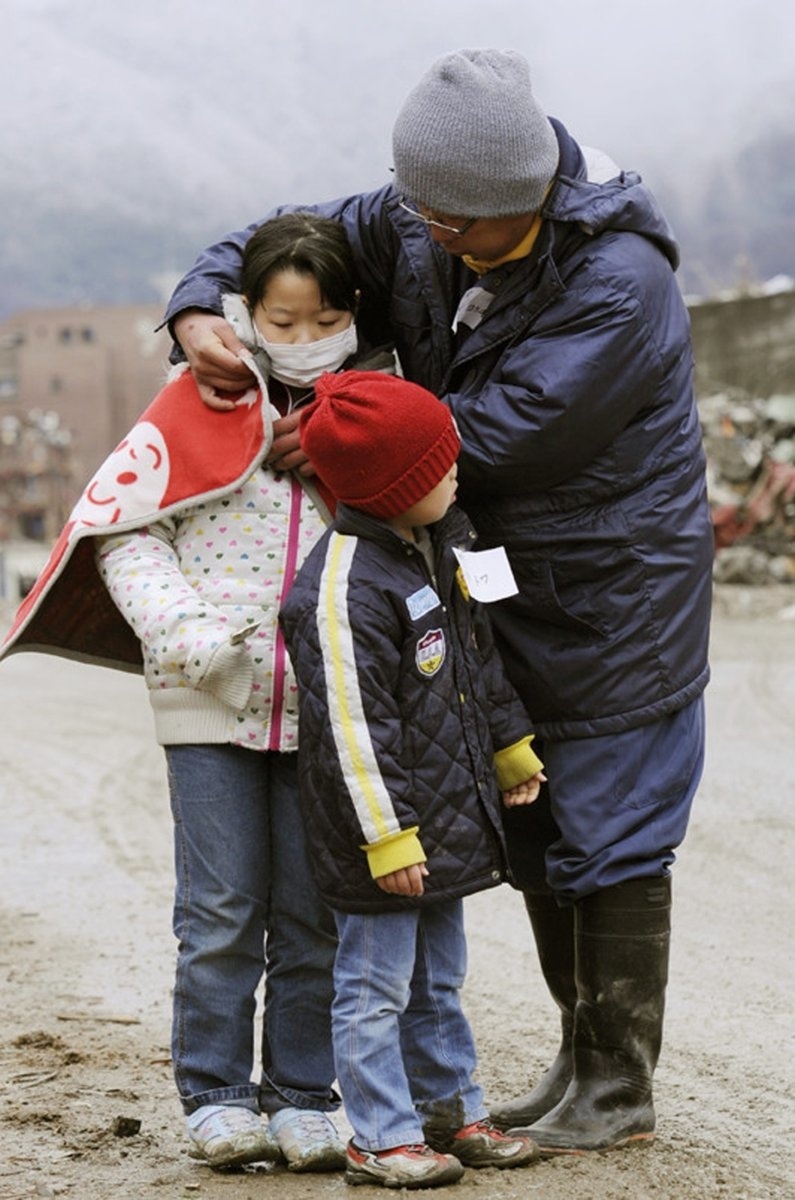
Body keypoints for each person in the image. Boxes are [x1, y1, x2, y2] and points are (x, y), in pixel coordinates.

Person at [161, 48, 715, 1156]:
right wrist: (193, 307)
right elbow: (289, 235)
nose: (425, 234)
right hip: (495, 587)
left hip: (618, 596)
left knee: (612, 830)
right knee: (545, 827)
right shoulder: (429, 215)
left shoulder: (619, 286)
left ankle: (618, 1082)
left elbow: (488, 436)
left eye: (452, 222)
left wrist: (320, 439)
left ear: (523, 201)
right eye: (417, 209)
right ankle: (578, 1061)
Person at [1, 212, 395, 1172]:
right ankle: (216, 1092)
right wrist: (188, 638)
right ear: (245, 313)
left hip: (326, 714)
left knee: (313, 912)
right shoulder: (195, 401)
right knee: (220, 910)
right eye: (282, 320)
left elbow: (411, 533)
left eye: (325, 320)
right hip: (206, 701)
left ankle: (304, 1093)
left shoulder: (379, 412)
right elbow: (126, 530)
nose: (303, 341)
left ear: (356, 316)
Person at [278, 368, 546, 1189]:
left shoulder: (438, 543)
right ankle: (379, 1135)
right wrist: (386, 839)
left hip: (443, 823)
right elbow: (352, 732)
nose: (456, 470)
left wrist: (507, 752)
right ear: (390, 486)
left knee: (438, 978)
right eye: (439, 465)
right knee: (372, 989)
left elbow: (473, 660)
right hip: (385, 839)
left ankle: (451, 1108)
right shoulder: (342, 586)